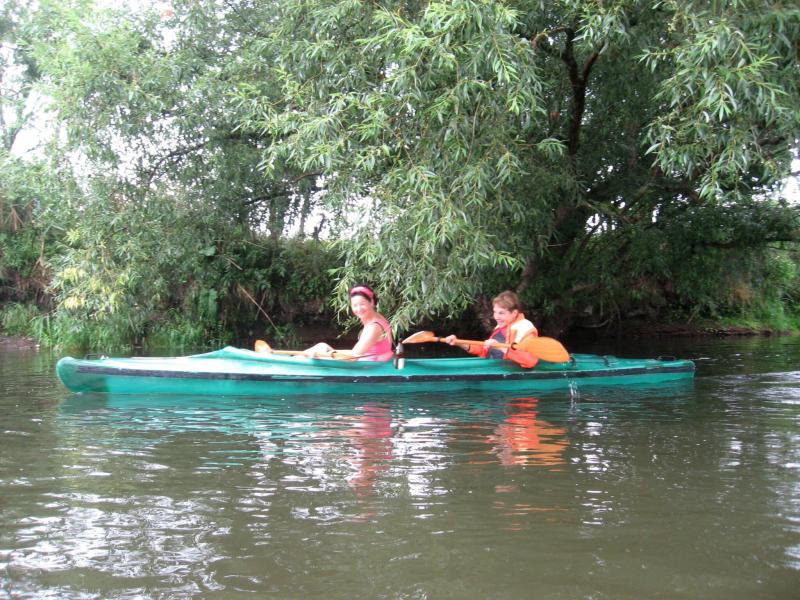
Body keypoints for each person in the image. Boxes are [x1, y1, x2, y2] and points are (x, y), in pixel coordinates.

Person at [444, 290, 539, 368]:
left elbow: (530, 361)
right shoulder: (500, 327)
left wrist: (501, 347)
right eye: (495, 312)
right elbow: (484, 350)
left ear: (514, 313)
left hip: (510, 376)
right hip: (495, 369)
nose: (496, 317)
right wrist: (459, 342)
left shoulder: (526, 329)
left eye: (501, 313)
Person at [303, 284, 394, 361]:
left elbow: (353, 357)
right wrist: (327, 351)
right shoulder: (378, 317)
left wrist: (325, 354)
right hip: (370, 361)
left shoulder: (374, 328)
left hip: (369, 367)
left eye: (362, 304)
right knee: (322, 347)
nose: (359, 309)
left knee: (321, 349)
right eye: (355, 305)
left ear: (371, 302)